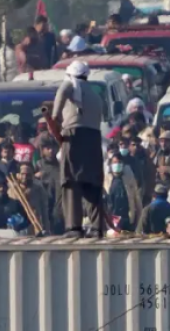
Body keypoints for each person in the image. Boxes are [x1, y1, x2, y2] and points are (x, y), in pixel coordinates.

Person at [53, 60, 107, 238]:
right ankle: (97, 227)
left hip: (74, 136)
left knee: (71, 181)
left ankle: (74, 227)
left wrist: (54, 117)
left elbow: (62, 92)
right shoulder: (95, 94)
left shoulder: (70, 86)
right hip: (93, 138)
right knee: (92, 183)